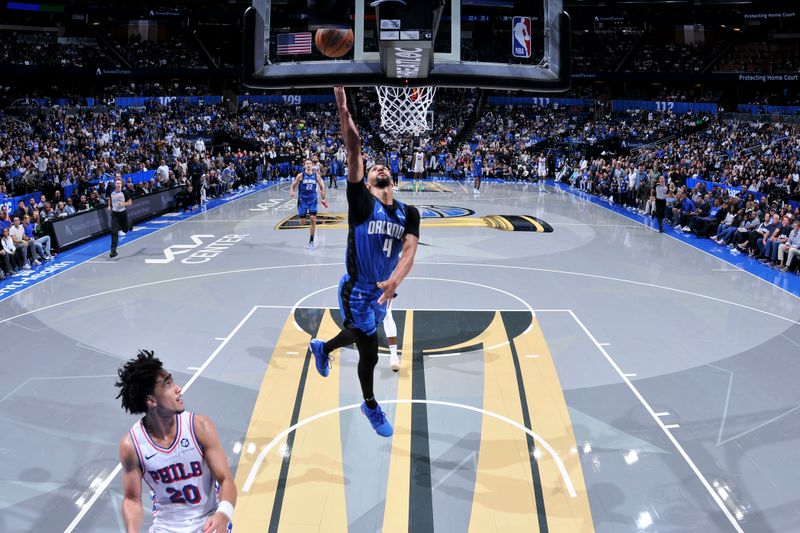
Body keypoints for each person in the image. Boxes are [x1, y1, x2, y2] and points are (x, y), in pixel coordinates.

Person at [309, 87, 420, 437]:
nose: (378, 167)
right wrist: (342, 102)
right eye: (372, 169)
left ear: (392, 180)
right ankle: (370, 405)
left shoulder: (409, 212)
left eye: (382, 166)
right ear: (368, 184)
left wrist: (395, 282)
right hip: (357, 289)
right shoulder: (361, 203)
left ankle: (322, 347)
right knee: (369, 352)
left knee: (360, 333)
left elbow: (410, 252)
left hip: (382, 291)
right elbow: (354, 145)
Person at [116, 350, 237, 533]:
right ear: (151, 400)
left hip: (207, 520)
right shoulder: (131, 445)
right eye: (167, 385)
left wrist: (223, 514)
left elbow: (226, 479)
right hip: (166, 526)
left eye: (172, 381)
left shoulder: (199, 426)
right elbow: (132, 499)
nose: (178, 388)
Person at [290, 159, 327, 249]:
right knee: (302, 222)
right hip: (302, 200)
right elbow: (293, 185)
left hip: (312, 200)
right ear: (304, 165)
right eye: (307, 163)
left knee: (312, 219)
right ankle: (303, 215)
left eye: (310, 163)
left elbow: (322, 186)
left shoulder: (316, 176)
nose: (308, 165)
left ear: (312, 165)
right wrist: (292, 191)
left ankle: (311, 241)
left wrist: (323, 194)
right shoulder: (301, 175)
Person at [108, 177, 132, 258]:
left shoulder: (124, 192)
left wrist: (123, 204)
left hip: (123, 214)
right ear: (115, 184)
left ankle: (129, 223)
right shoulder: (111, 192)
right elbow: (109, 198)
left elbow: (130, 202)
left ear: (121, 185)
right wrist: (109, 206)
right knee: (114, 232)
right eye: (117, 183)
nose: (118, 185)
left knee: (125, 230)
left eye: (119, 183)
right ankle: (113, 251)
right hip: (115, 214)